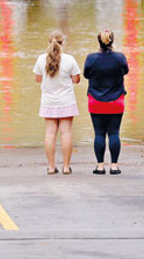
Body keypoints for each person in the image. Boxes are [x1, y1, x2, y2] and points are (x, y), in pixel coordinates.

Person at [33, 30, 81, 175]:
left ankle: (51, 167)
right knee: (66, 132)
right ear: (63, 43)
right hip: (66, 101)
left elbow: (38, 79)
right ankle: (66, 167)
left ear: (49, 43)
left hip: (48, 102)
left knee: (50, 133)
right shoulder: (69, 59)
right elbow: (76, 80)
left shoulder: (41, 59)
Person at [83, 29, 128, 175]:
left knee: (99, 134)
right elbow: (125, 71)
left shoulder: (91, 58)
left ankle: (100, 166)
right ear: (112, 41)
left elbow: (86, 74)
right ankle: (114, 166)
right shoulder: (120, 58)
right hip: (116, 101)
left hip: (96, 100)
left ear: (99, 41)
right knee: (114, 133)